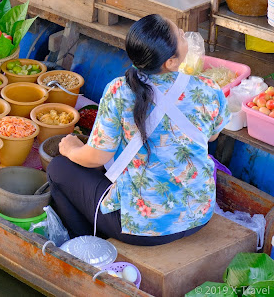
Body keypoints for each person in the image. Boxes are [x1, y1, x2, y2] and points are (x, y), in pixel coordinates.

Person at [47, 15, 230, 246]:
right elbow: (212, 135)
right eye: (181, 36)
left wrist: (71, 149)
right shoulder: (208, 89)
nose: (185, 36)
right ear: (171, 62)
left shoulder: (119, 90)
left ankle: (87, 243)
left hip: (142, 229)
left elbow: (97, 157)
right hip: (199, 213)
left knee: (59, 167)